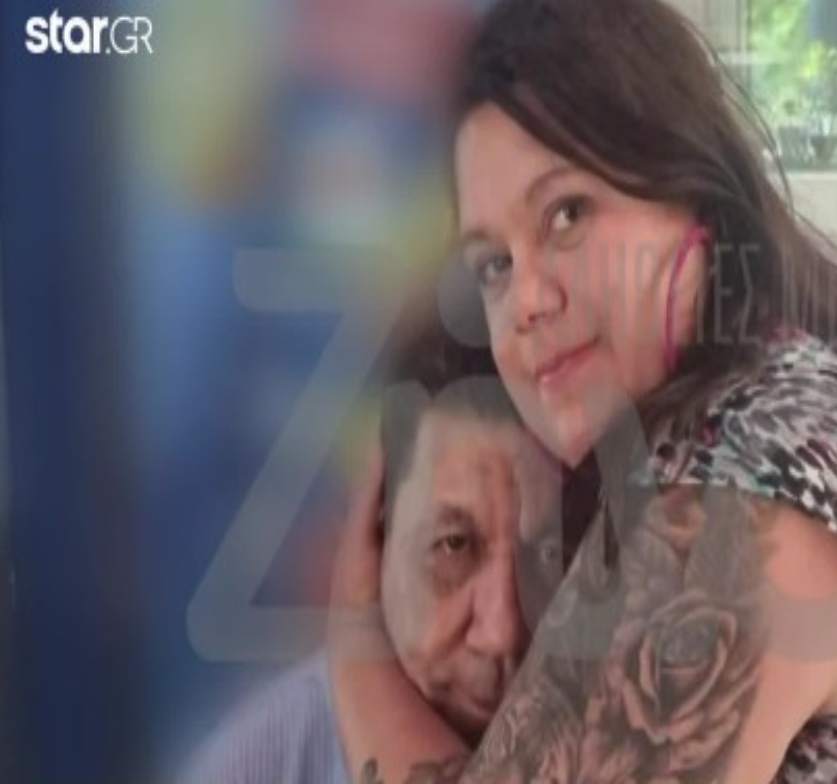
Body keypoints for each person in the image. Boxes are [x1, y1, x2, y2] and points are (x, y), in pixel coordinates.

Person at [329, 0, 837, 783]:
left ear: (697, 199)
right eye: (494, 265)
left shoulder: (741, 498)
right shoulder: (806, 383)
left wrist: (354, 643)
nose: (526, 302)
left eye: (567, 215)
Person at [178, 314, 573, 784]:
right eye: (453, 546)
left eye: (548, 554)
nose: (501, 632)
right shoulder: (261, 768)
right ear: (375, 535)